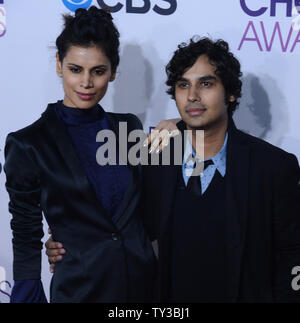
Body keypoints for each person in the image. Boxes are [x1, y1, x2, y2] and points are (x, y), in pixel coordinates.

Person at [48, 37, 300, 303]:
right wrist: (67, 242)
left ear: (231, 93)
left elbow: (292, 254)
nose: (192, 95)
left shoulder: (273, 167)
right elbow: (120, 232)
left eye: (206, 83)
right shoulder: (153, 161)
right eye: (183, 85)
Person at [4, 6, 176, 303]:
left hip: (144, 287)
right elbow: (26, 233)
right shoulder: (29, 143)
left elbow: (148, 209)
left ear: (112, 71)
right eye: (75, 69)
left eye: (98, 71)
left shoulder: (128, 127)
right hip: (80, 291)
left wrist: (183, 124)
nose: (86, 83)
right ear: (59, 65)